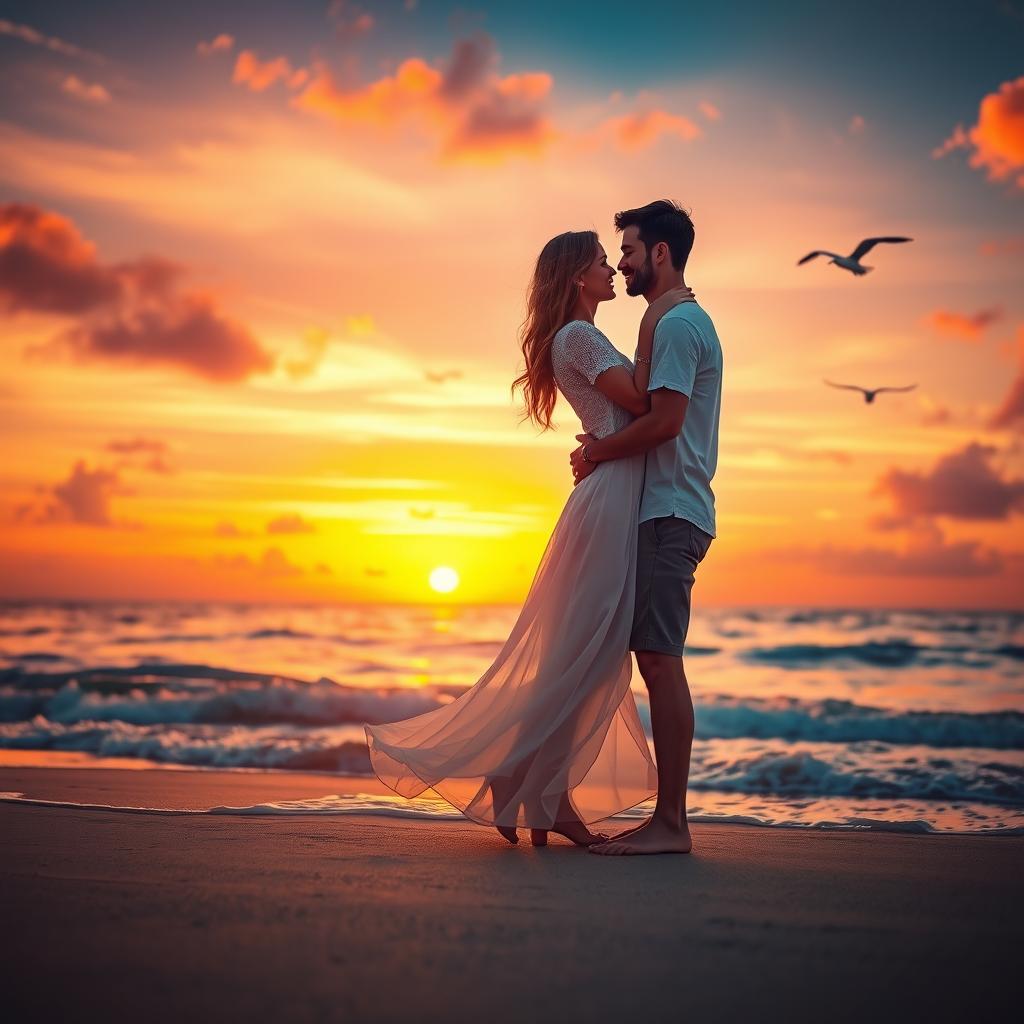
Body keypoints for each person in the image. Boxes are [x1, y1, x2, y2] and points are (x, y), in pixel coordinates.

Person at [363, 227, 693, 848]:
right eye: (602, 262)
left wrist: (600, 443)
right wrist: (655, 330)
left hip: (617, 498)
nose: (611, 270)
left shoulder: (586, 336)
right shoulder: (579, 336)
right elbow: (647, 402)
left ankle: (529, 785)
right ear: (577, 277)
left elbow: (633, 409)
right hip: (609, 501)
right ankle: (541, 792)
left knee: (589, 654)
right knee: (582, 653)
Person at [572, 200, 722, 856]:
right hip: (661, 508)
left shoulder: (680, 324)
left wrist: (596, 452)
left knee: (661, 661)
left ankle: (671, 824)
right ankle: (655, 817)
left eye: (628, 251)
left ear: (660, 253)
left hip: (671, 509)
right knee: (652, 657)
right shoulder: (669, 321)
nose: (624, 263)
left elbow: (664, 420)